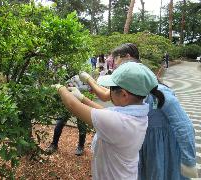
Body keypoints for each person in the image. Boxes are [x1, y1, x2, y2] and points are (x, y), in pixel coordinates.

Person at [78, 43, 198, 179]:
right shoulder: (131, 83)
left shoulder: (157, 90)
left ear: (127, 57)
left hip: (160, 148)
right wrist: (88, 81)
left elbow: (183, 124)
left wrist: (188, 161)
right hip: (139, 141)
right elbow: (107, 95)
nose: (114, 66)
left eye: (115, 60)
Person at [52, 62, 164, 179]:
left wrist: (60, 88)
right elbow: (107, 113)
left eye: (110, 89)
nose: (108, 92)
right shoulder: (138, 114)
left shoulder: (119, 122)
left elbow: (73, 106)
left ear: (124, 95)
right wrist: (82, 98)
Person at [46, 75, 89, 156]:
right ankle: (54, 144)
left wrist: (77, 89)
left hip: (81, 103)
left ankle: (81, 146)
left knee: (82, 125)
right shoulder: (69, 72)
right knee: (59, 123)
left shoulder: (84, 75)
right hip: (68, 102)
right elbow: (63, 84)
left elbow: (89, 88)